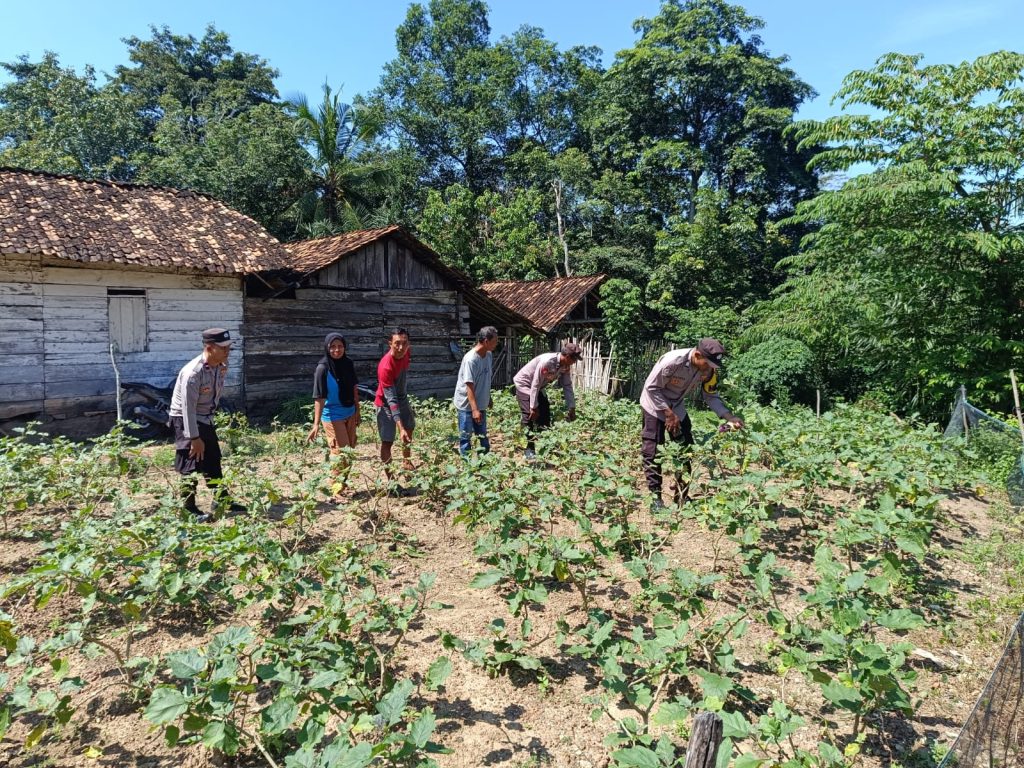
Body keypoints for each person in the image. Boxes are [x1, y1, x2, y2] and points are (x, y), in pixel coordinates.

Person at [640, 338, 744, 507]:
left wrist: (729, 417)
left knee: (686, 450)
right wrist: (667, 413)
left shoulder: (709, 370)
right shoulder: (672, 361)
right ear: (697, 355)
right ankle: (655, 498)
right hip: (654, 405)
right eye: (708, 364)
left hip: (677, 407)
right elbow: (651, 388)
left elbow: (710, 396)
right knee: (652, 452)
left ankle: (681, 495)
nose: (710, 369)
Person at [168, 327, 245, 520]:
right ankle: (188, 509)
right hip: (185, 419)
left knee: (213, 458)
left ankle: (221, 499)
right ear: (209, 348)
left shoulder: (221, 365)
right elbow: (187, 409)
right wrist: (194, 438)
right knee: (190, 461)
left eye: (229, 348)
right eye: (223, 348)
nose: (227, 352)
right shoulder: (193, 373)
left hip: (205, 418)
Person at [307, 333, 360, 494]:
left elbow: (354, 388)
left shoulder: (348, 363)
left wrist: (357, 411)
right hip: (332, 415)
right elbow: (319, 397)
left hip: (349, 411)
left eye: (340, 346)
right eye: (333, 347)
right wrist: (316, 424)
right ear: (327, 348)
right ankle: (335, 492)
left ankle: (342, 485)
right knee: (339, 452)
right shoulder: (322, 369)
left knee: (350, 450)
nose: (337, 350)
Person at [513, 342, 583, 458]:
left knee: (545, 412)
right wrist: (533, 407)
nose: (574, 363)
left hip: (539, 386)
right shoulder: (548, 362)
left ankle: (546, 444)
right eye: (574, 359)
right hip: (525, 384)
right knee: (529, 416)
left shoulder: (565, 366)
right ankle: (529, 448)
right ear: (567, 356)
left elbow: (567, 385)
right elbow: (535, 384)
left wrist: (572, 407)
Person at [375, 327, 416, 474]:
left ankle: (406, 462)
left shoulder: (406, 353)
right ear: (390, 343)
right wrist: (400, 427)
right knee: (387, 441)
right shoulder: (385, 366)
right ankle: (391, 479)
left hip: (403, 398)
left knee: (410, 427)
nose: (401, 348)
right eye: (397, 343)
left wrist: (404, 428)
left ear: (408, 344)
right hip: (385, 404)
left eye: (404, 343)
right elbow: (391, 400)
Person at [454, 326, 499, 455]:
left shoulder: (488, 355)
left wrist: (488, 397)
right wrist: (474, 410)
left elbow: (485, 378)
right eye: (495, 341)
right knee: (465, 437)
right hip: (466, 405)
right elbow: (469, 386)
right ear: (486, 341)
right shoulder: (471, 359)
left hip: (480, 402)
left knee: (482, 435)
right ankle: (468, 467)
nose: (496, 344)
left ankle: (484, 462)